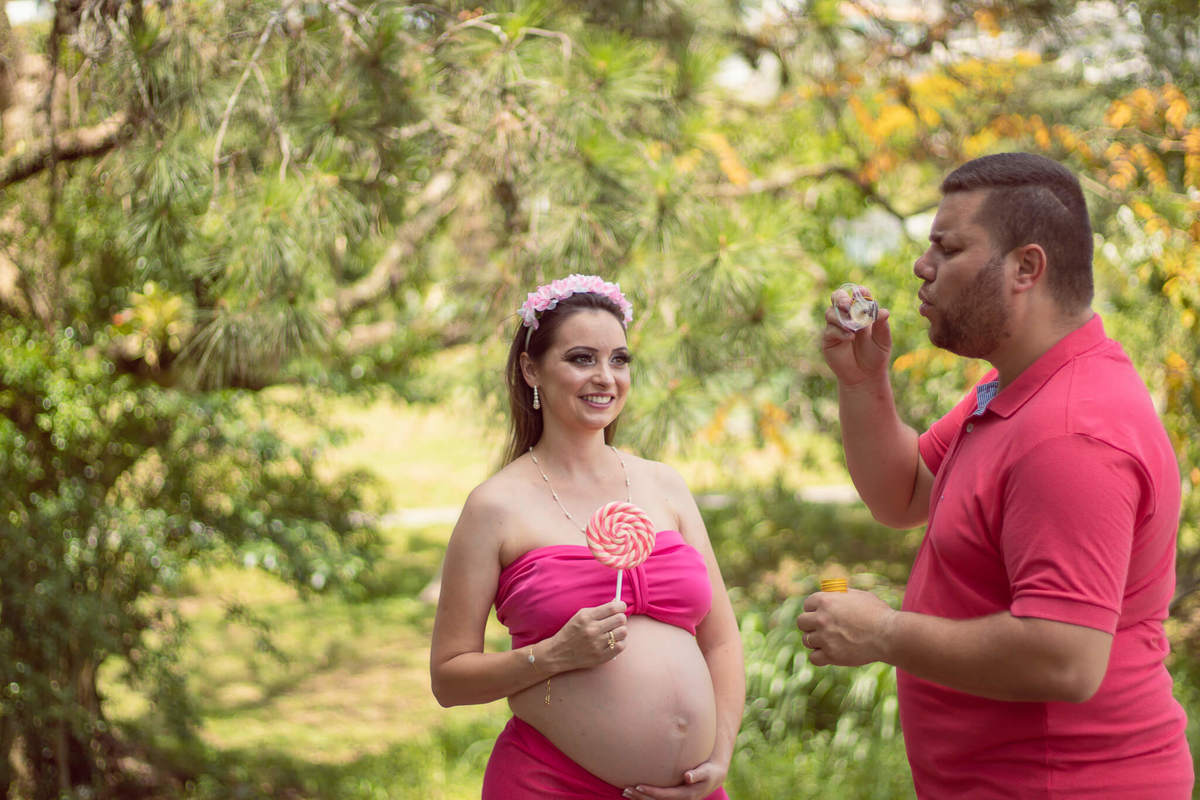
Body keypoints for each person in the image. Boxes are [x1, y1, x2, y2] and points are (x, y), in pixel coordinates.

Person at [798, 153, 1194, 798]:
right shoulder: (1018, 388)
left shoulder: (1071, 434)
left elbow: (1064, 658)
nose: (922, 267)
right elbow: (902, 495)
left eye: (948, 248)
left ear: (1026, 268)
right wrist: (863, 384)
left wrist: (884, 633)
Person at [430, 274, 745, 800]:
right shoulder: (494, 506)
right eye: (581, 358)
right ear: (532, 369)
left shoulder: (663, 485)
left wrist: (720, 756)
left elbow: (722, 640)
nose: (606, 377)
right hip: (551, 784)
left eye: (619, 360)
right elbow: (449, 679)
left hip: (690, 791)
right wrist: (554, 654)